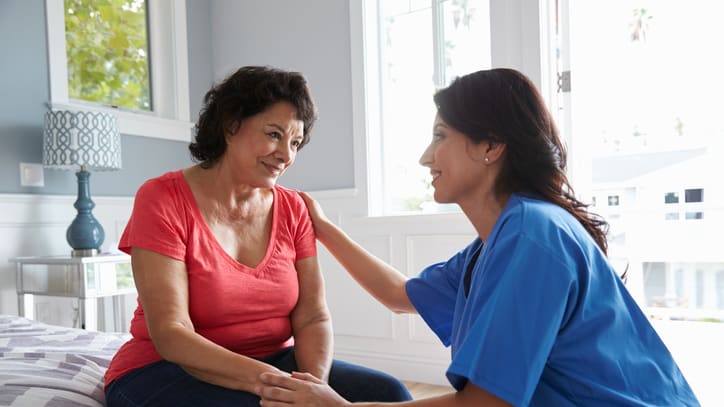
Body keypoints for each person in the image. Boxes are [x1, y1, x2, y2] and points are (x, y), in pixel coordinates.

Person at [257, 68, 700, 406]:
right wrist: (324, 227)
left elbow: (487, 404)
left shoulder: (534, 236)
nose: (425, 157)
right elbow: (397, 294)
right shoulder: (496, 244)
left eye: (440, 136)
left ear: (490, 146)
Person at [103, 66, 412, 406]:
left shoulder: (294, 207)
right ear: (231, 125)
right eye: (274, 134)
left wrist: (313, 389)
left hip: (275, 363)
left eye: (295, 142)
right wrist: (277, 388)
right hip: (165, 370)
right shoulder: (162, 197)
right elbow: (172, 333)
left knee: (389, 393)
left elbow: (312, 315)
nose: (287, 155)